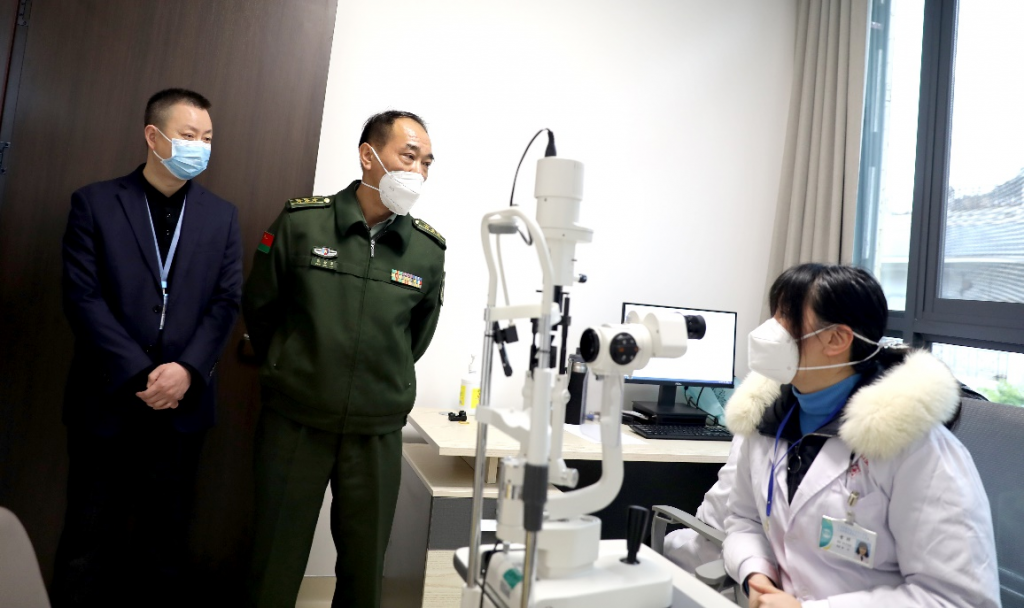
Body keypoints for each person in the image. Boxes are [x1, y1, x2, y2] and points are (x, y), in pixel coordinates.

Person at [243, 110, 445, 607]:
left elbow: (416, 337)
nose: (418, 171)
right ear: (368, 155)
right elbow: (261, 307)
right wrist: (292, 364)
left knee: (364, 568)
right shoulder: (302, 222)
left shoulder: (427, 250)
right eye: (408, 156)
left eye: (426, 162)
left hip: (376, 430)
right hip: (296, 420)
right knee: (273, 561)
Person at [54, 88, 242, 607]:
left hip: (184, 405)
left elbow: (226, 301)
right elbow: (82, 297)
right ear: (153, 136)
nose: (199, 146)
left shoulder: (221, 215)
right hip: (107, 398)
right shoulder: (95, 202)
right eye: (188, 135)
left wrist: (186, 369)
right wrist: (140, 371)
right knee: (88, 537)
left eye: (207, 138)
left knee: (166, 542)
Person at [722, 263, 1000, 608]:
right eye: (774, 313)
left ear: (837, 339)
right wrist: (756, 573)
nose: (769, 330)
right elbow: (744, 519)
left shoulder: (918, 448)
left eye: (787, 317)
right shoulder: (769, 419)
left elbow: (956, 598)